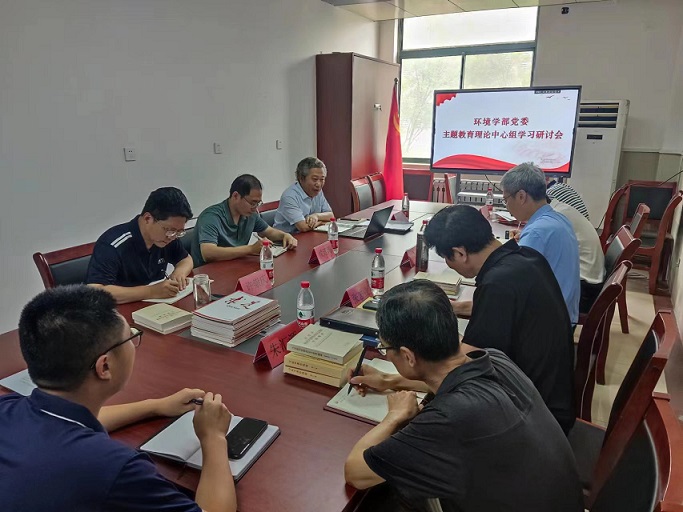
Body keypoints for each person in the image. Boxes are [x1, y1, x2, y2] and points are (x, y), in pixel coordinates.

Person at [344, 280, 583, 512]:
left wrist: (395, 416)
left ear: (408, 356)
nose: (386, 356)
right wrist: (389, 380)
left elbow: (356, 472)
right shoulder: (495, 359)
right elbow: (448, 377)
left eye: (385, 349)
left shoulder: (450, 418)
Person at [0, 285, 235, 512]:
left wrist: (156, 406)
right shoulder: (115, 468)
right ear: (105, 366)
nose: (133, 343)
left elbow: (69, 424)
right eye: (130, 337)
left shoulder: (8, 407)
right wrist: (213, 437)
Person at [419, 204, 575, 433]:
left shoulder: (497, 284)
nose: (448, 265)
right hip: (555, 396)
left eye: (446, 258)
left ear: (460, 253)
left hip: (536, 420)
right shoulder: (525, 257)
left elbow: (458, 367)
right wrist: (453, 308)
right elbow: (506, 308)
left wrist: (392, 379)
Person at [501, 162, 581, 324]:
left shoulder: (537, 232)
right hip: (564, 313)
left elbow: (515, 285)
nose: (507, 206)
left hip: (548, 324)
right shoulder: (558, 218)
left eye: (506, 200)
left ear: (521, 196)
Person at [86, 187, 194, 304]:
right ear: (148, 218)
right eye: (170, 230)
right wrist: (151, 291)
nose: (172, 237)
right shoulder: (113, 244)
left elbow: (185, 259)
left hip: (154, 305)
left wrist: (179, 273)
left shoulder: (167, 238)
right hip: (120, 310)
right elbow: (95, 292)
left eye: (179, 232)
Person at [191, 174, 298, 266]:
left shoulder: (250, 214)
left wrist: (285, 235)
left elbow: (268, 231)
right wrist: (251, 249)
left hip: (235, 265)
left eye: (258, 203)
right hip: (208, 273)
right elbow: (208, 253)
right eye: (252, 203)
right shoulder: (211, 217)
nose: (255, 208)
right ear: (236, 196)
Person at [549, 198, 605, 314]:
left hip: (583, 292)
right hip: (591, 282)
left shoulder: (555, 217)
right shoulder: (561, 208)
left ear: (522, 197)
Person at [273, 157, 335, 233]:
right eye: (315, 179)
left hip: (309, 234)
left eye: (322, 179)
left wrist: (316, 216)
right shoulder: (289, 196)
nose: (319, 184)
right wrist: (322, 222)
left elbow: (331, 216)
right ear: (301, 178)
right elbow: (303, 227)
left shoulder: (317, 191)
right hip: (287, 238)